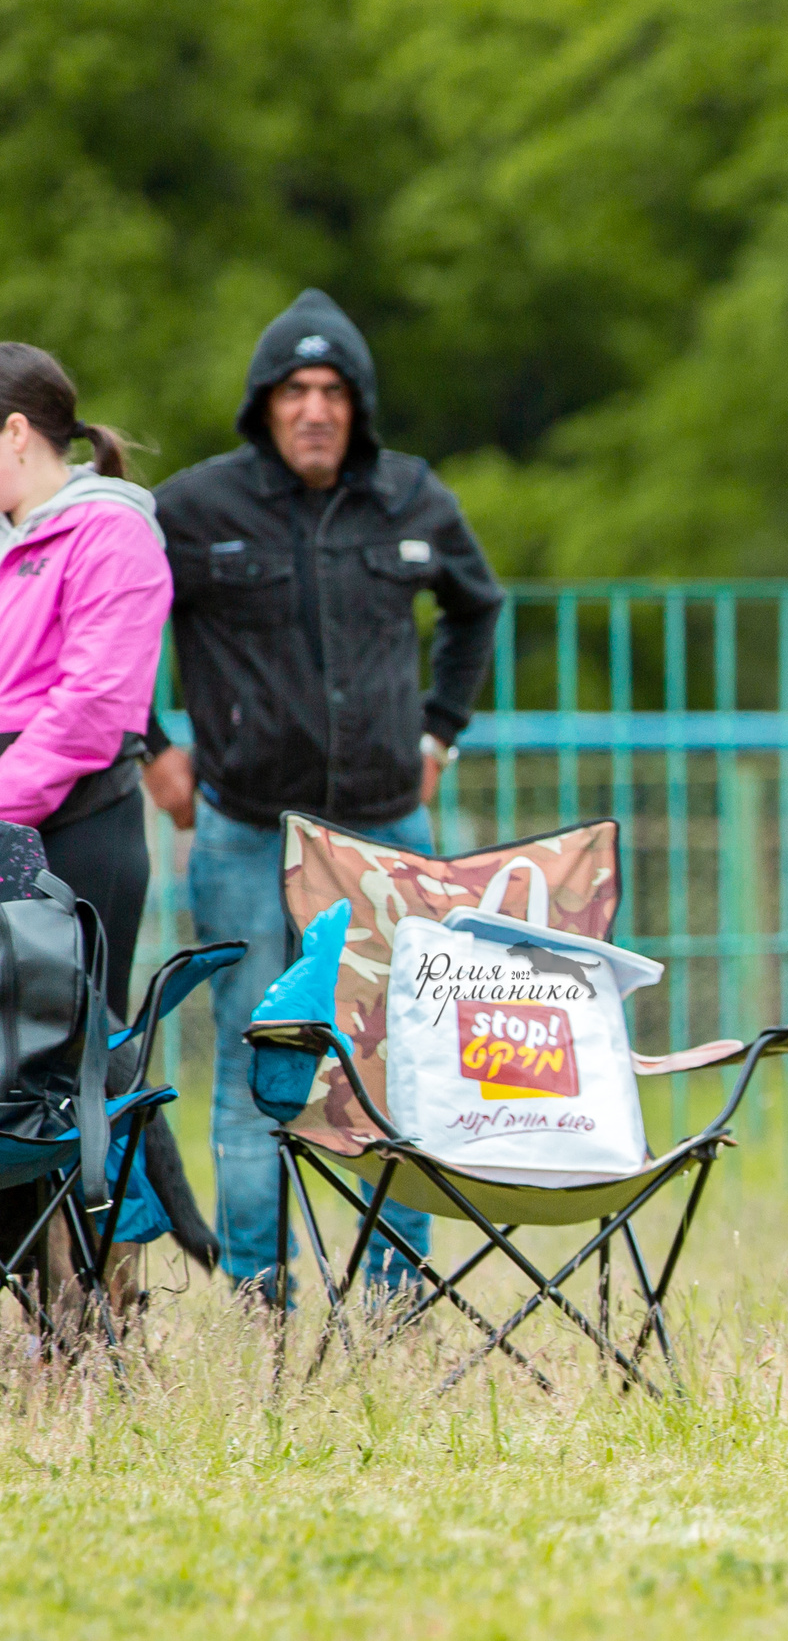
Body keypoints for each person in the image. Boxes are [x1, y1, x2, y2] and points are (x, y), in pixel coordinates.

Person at [145, 290, 506, 1301]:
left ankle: (396, 1298)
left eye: (334, 391)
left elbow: (477, 606)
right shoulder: (196, 508)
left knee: (402, 1060)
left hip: (388, 828)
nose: (314, 409)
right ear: (264, 404)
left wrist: (439, 732)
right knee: (255, 1063)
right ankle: (260, 1295)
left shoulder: (410, 495)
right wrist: (152, 748)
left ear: (359, 407)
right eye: (295, 390)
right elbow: (115, 619)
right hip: (246, 831)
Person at [0, 345, 167, 1020]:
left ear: (15, 432)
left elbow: (92, 708)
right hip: (13, 823)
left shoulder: (113, 533)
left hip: (77, 833)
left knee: (72, 1053)